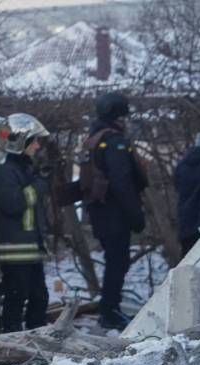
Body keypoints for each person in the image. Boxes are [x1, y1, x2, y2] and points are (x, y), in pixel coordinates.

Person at [79, 92, 147, 330]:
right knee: (117, 262)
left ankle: (110, 308)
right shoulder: (114, 142)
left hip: (100, 212)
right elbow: (122, 181)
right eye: (123, 116)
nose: (125, 121)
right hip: (114, 213)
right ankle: (110, 311)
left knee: (114, 261)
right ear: (116, 115)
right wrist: (136, 216)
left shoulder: (94, 138)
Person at [0, 113, 50, 333]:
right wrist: (38, 187)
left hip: (29, 248)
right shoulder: (2, 171)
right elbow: (13, 203)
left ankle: (38, 338)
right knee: (16, 297)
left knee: (40, 298)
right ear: (20, 141)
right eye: (34, 140)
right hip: (14, 249)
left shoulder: (22, 167)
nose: (37, 145)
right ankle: (12, 340)